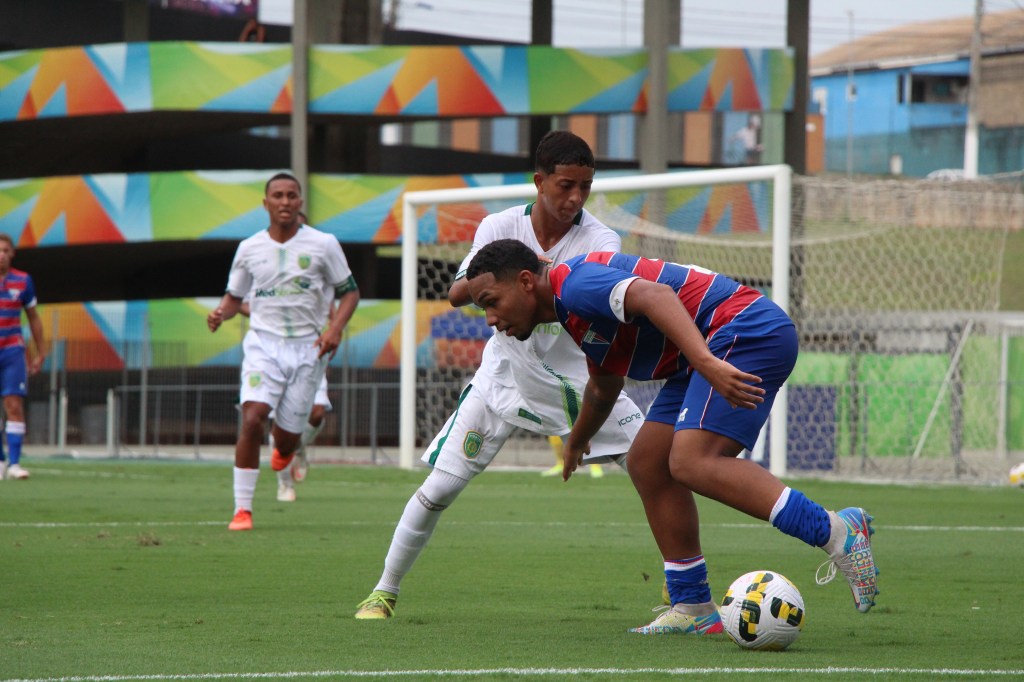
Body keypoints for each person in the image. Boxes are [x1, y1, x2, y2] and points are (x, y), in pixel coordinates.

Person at [464, 239, 879, 634]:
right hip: (704, 353)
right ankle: (693, 606)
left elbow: (657, 296)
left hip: (741, 328)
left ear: (525, 281)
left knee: (691, 461)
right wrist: (576, 440)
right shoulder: (572, 312)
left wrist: (707, 363)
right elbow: (603, 386)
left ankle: (835, 531)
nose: (491, 319)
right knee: (647, 462)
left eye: (491, 302)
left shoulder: (575, 284)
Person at [354, 130, 644, 619]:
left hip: (579, 378)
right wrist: (518, 267)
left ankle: (681, 586)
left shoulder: (601, 240)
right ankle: (384, 591)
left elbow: (587, 303)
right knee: (440, 488)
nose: (576, 198)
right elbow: (457, 294)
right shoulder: (499, 226)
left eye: (585, 187)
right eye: (566, 185)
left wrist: (543, 278)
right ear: (539, 181)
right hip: (504, 375)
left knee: (655, 470)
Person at [207, 172, 359, 530]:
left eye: (292, 195)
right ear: (266, 203)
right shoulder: (249, 248)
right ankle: (242, 510)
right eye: (278, 195)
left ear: (300, 202)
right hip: (264, 344)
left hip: (308, 349)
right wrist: (221, 312)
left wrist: (334, 329)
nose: (285, 201)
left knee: (288, 437)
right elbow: (234, 297)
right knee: (252, 417)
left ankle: (287, 449)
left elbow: (350, 292)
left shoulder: (323, 244)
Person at [238, 211, 333, 502]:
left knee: (317, 413)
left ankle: (298, 447)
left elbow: (335, 303)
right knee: (272, 419)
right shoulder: (262, 258)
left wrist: (333, 330)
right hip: (273, 350)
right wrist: (270, 312)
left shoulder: (318, 259)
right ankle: (284, 484)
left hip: (311, 349)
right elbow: (240, 301)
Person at [0, 233, 45, 481]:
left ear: (12, 254)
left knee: (14, 406)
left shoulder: (23, 280)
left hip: (12, 351)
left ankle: (15, 464)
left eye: (6, 250)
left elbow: (34, 317)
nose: (1, 255)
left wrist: (41, 351)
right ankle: (0, 461)